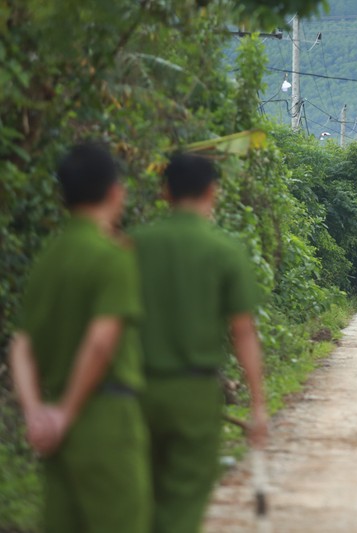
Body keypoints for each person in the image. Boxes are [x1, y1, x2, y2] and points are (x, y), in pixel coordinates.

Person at [9, 143, 150, 533]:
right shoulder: (113, 256)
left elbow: (22, 345)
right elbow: (101, 341)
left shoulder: (49, 259)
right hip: (105, 419)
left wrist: (37, 411)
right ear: (114, 191)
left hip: (54, 429)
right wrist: (68, 413)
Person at [132, 153, 268, 533]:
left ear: (164, 192)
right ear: (213, 191)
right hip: (195, 396)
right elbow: (243, 333)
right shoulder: (225, 252)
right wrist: (258, 405)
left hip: (134, 392)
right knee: (184, 501)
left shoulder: (132, 245)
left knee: (139, 496)